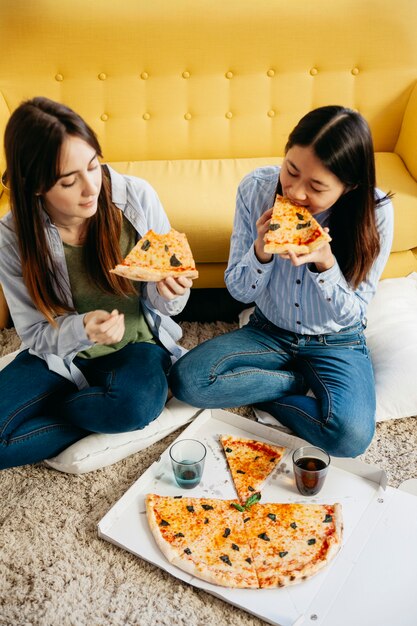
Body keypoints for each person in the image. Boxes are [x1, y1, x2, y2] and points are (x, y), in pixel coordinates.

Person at [170, 105, 394, 458]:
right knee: (189, 380)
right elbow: (239, 290)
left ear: (348, 187)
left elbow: (352, 314)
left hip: (336, 341)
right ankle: (296, 382)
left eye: (317, 187)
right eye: (291, 171)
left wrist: (325, 264)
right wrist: (261, 250)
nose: (296, 193)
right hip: (269, 329)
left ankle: (266, 389)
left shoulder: (376, 213)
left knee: (349, 438)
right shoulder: (256, 188)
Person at [0, 96, 194, 470]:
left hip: (136, 345)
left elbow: (164, 302)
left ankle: (59, 407)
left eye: (93, 166)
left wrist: (172, 290)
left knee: (135, 407)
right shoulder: (12, 236)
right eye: (69, 181)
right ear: (36, 185)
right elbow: (36, 334)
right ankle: (80, 410)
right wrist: (82, 329)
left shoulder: (136, 197)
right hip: (59, 355)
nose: (91, 188)